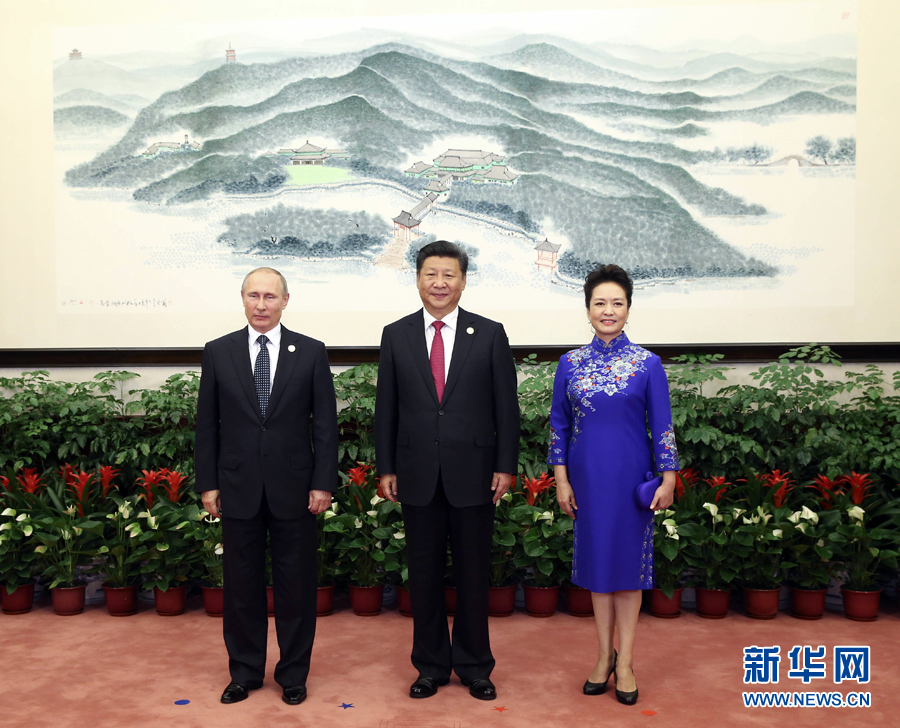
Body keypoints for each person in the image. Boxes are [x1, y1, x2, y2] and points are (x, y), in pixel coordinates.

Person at [375, 240, 520, 701]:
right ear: (418, 279)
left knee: (474, 574)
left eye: (449, 275)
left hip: (475, 473)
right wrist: (386, 466)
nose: (439, 283)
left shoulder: (490, 333)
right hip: (416, 472)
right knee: (423, 576)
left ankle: (476, 666)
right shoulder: (396, 334)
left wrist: (505, 465)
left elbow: (506, 407)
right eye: (431, 274)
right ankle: (431, 666)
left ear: (463, 280)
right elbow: (386, 408)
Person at [194, 267, 338, 706]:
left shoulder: (310, 351)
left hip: (296, 488)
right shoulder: (218, 351)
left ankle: (293, 675)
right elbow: (207, 425)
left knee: (296, 588)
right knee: (241, 589)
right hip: (237, 486)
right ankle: (244, 673)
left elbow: (325, 426)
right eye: (253, 296)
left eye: (270, 297)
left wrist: (323, 482)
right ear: (242, 299)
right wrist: (208, 483)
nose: (261, 304)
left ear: (285, 301)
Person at [548, 264, 678, 706]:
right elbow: (558, 428)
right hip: (586, 482)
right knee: (598, 571)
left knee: (627, 573)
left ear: (628, 309)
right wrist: (561, 481)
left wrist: (669, 478)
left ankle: (626, 663)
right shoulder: (569, 364)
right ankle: (604, 656)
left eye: (617, 303)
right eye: (600, 303)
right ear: (587, 309)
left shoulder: (647, 364)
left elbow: (663, 426)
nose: (608, 311)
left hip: (630, 481)